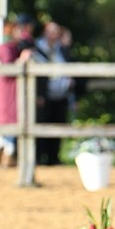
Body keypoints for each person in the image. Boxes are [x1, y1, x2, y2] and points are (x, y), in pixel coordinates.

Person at [0, 15, 35, 167]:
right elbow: (8, 69)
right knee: (9, 122)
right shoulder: (6, 48)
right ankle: (7, 154)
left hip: (14, 91)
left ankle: (3, 152)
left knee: (11, 122)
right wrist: (22, 60)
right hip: (9, 92)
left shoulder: (14, 47)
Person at [31, 21, 75, 166]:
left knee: (58, 125)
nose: (55, 34)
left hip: (61, 95)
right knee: (41, 126)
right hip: (44, 96)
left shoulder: (61, 49)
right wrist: (38, 94)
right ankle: (39, 158)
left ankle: (54, 158)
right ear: (45, 32)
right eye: (52, 31)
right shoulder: (36, 48)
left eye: (56, 31)